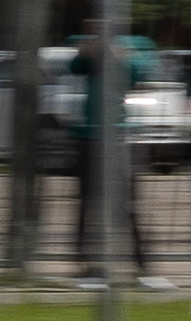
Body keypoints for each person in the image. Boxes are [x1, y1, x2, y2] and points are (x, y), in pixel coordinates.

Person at [66, 33, 172, 291]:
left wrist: (119, 54)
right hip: (90, 138)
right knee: (87, 202)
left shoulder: (126, 55)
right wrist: (86, 51)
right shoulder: (91, 60)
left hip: (116, 138)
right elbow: (74, 67)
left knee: (126, 205)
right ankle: (86, 262)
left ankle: (142, 263)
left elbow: (138, 72)